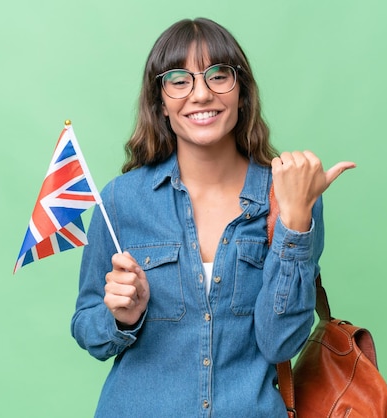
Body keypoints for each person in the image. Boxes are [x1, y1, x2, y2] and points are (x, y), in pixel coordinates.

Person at [71, 17, 355, 417]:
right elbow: (87, 328)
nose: (201, 94)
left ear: (242, 93)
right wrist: (120, 318)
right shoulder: (121, 200)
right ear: (160, 103)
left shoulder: (287, 193)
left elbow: (280, 343)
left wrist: (293, 219)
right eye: (179, 80)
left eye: (218, 76)